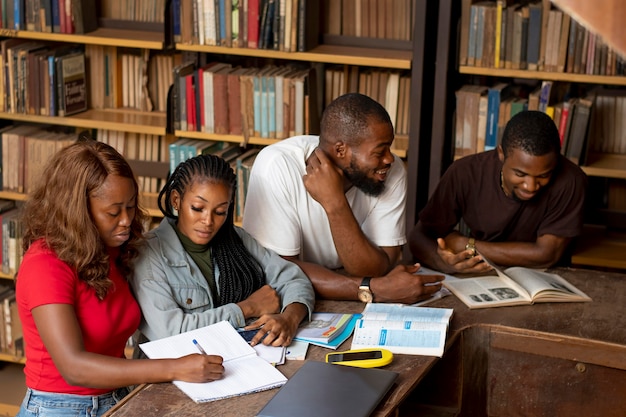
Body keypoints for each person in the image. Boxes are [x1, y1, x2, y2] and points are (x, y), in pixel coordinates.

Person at [15, 138, 224, 417]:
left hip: (117, 398)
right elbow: (74, 367)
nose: (126, 220)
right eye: (113, 212)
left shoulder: (111, 248)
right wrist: (175, 367)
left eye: (130, 206)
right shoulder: (45, 264)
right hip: (59, 407)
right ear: (77, 213)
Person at [242, 92, 443, 304]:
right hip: (292, 298)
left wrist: (335, 202)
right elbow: (277, 270)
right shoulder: (277, 166)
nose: (389, 158)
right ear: (340, 150)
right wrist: (371, 289)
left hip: (342, 292)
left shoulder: (391, 172)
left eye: (390, 147)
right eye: (379, 151)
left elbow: (377, 269)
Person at [131, 154, 314, 348]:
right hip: (171, 370)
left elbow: (294, 279)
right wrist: (247, 308)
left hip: (237, 355)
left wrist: (289, 319)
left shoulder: (235, 238)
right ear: (176, 200)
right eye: (198, 208)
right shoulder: (148, 255)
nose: (208, 221)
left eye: (220, 212)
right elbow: (171, 333)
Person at [409, 110, 588, 274]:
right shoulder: (465, 172)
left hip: (546, 279)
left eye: (543, 175)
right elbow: (419, 236)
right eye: (520, 174)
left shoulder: (570, 180)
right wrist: (445, 264)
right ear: (501, 153)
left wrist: (467, 245)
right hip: (478, 275)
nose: (531, 186)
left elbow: (546, 255)